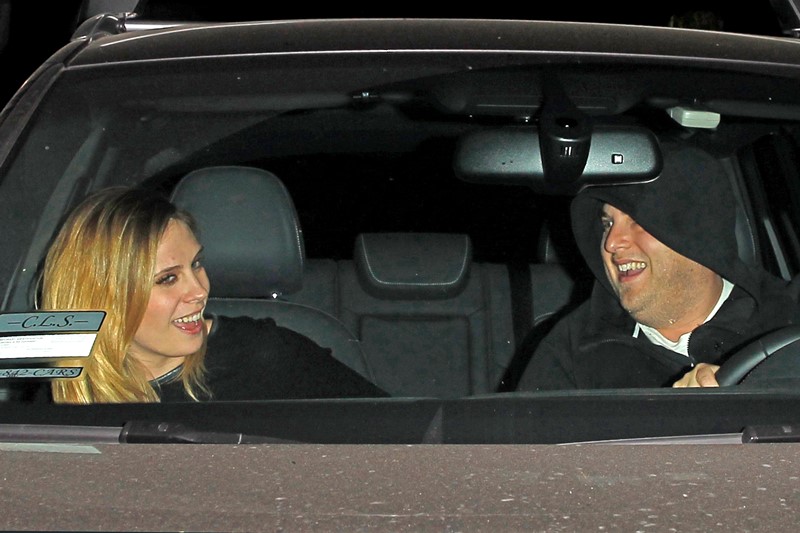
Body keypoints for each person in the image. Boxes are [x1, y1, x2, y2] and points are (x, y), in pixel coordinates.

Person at [39, 186, 388, 403]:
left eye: (197, 264)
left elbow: (400, 443)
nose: (199, 290)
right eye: (168, 279)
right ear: (103, 295)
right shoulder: (63, 388)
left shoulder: (267, 357)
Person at [516, 142, 800, 391]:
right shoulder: (573, 351)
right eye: (607, 223)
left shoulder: (786, 318)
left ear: (696, 233)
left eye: (637, 220)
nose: (612, 242)